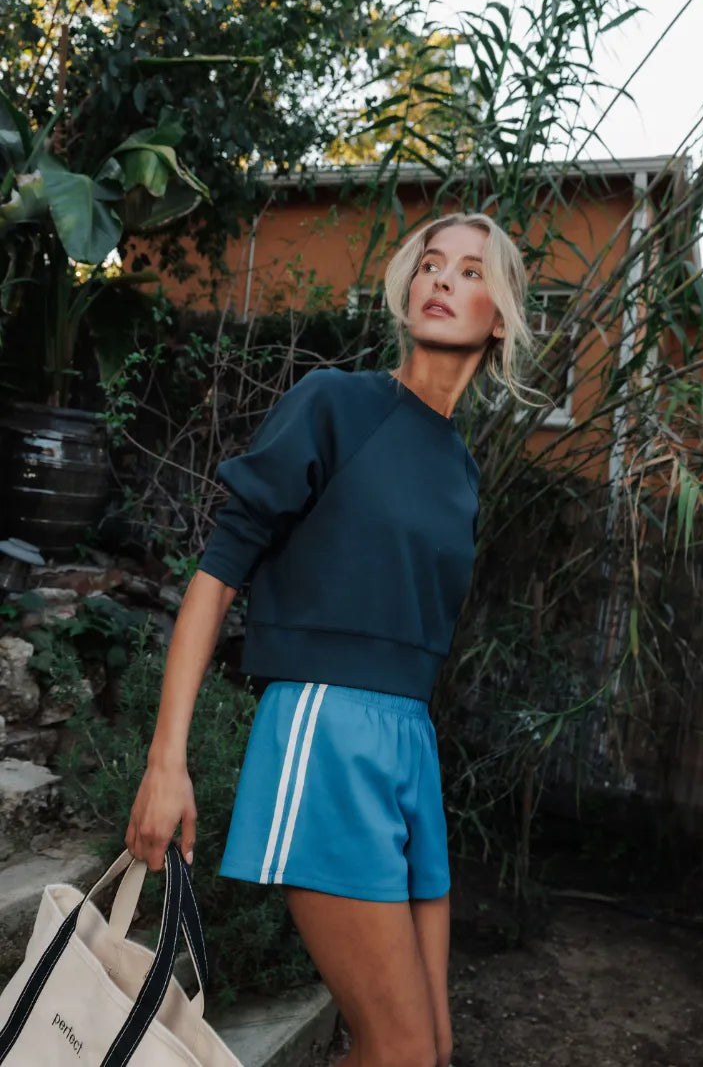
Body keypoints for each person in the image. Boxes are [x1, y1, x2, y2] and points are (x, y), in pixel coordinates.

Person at [124, 211, 534, 1067]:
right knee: (401, 1050)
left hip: (410, 748)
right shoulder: (338, 405)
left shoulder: (461, 469)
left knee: (432, 1051)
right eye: (430, 264)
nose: (441, 280)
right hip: (325, 730)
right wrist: (168, 760)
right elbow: (216, 575)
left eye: (468, 271)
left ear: (500, 316)